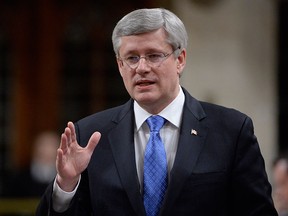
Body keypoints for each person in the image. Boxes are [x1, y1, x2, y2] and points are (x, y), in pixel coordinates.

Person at [36, 8, 277, 216]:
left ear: (180, 59)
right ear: (120, 66)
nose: (141, 68)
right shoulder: (90, 134)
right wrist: (66, 185)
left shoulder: (231, 130)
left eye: (153, 55)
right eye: (131, 58)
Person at [2, 131, 59, 197]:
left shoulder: (67, 180)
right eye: (43, 145)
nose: (47, 150)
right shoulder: (19, 178)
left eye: (51, 146)